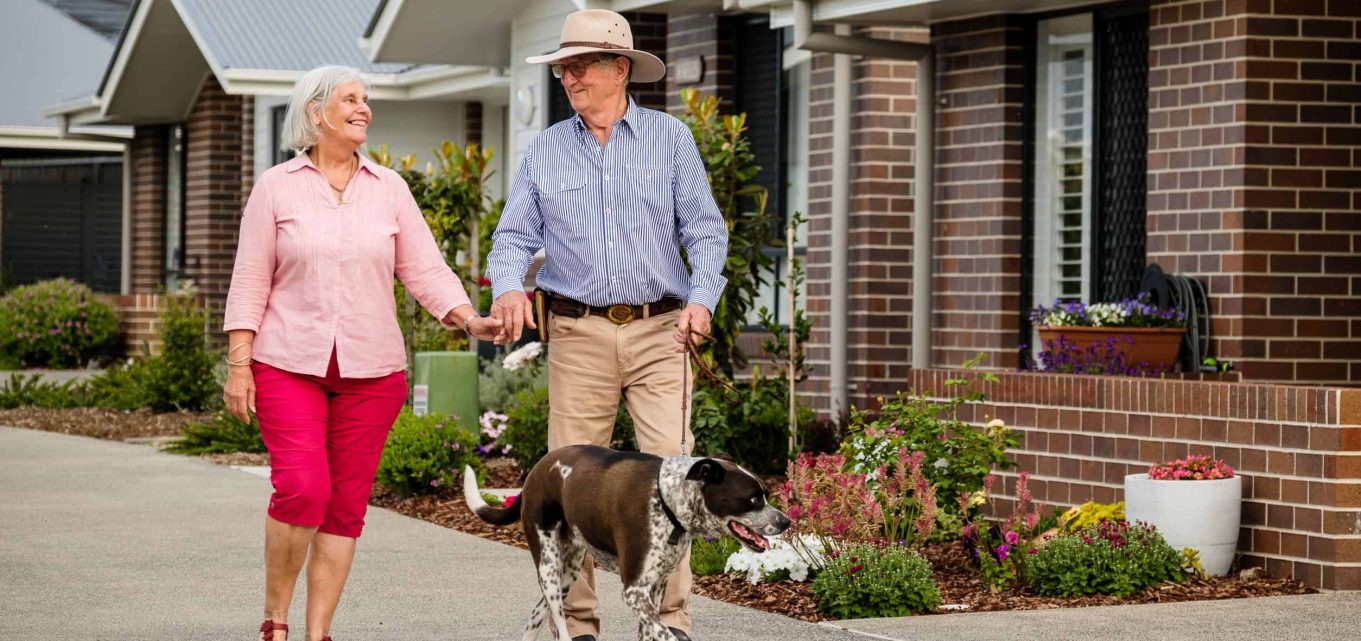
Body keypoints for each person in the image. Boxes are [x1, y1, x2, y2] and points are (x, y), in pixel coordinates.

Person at [222, 65, 500, 641]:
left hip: (372, 374)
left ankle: (317, 633)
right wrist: (239, 363)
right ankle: (275, 620)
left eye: (366, 99)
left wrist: (469, 318)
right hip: (287, 364)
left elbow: (424, 270)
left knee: (345, 507)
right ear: (316, 111)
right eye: (350, 99)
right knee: (302, 488)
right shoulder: (277, 186)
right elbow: (251, 278)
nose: (364, 108)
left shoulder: (389, 188)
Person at [484, 10, 728, 641]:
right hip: (578, 332)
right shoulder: (547, 148)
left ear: (620, 69)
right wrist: (509, 284)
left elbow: (704, 229)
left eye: (582, 64)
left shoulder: (670, 140)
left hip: (662, 330)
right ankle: (580, 625)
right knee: (573, 485)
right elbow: (514, 234)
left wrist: (703, 299)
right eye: (564, 66)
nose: (569, 76)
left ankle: (668, 624)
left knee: (674, 479)